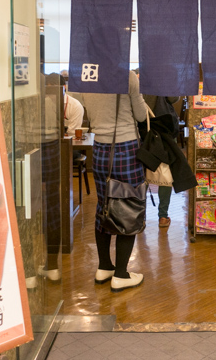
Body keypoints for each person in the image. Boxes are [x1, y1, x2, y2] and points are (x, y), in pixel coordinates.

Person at [82, 70, 148, 292]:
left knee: (105, 205)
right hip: (126, 148)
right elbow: (141, 116)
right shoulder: (127, 75)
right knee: (129, 206)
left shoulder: (86, 73)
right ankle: (121, 274)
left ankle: (104, 267)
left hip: (99, 148)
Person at [141, 95, 180, 228]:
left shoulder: (138, 83)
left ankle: (141, 216)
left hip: (144, 131)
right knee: (165, 173)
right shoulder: (164, 83)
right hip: (165, 132)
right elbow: (174, 98)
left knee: (143, 171)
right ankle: (163, 216)